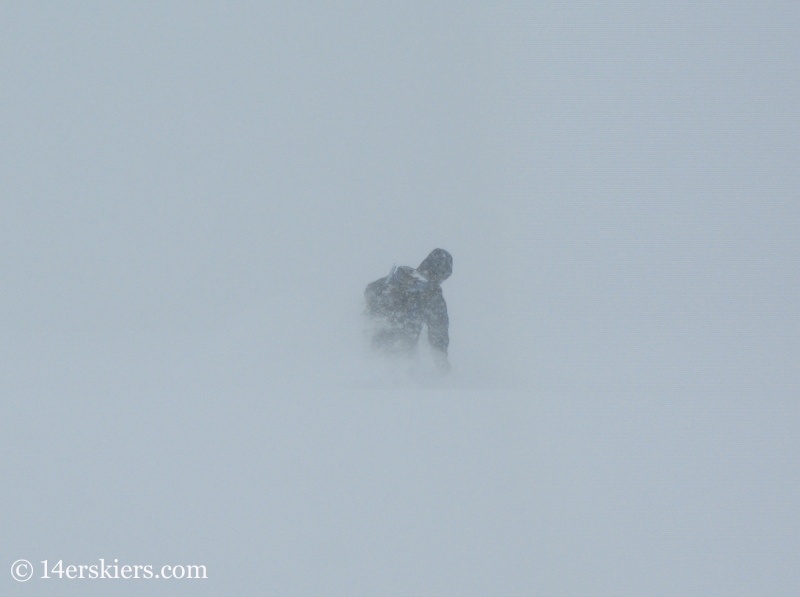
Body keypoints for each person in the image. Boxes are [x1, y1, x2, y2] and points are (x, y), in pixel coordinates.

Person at [364, 248, 452, 372]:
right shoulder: (432, 295)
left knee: (371, 371)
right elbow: (438, 331)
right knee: (403, 379)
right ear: (442, 274)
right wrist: (441, 362)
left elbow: (370, 290)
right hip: (405, 347)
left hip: (374, 337)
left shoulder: (401, 277)